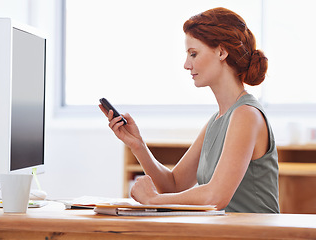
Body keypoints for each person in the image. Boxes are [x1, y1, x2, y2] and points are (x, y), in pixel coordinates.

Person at [99, 7, 279, 213]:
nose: (186, 64)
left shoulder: (247, 115)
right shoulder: (217, 121)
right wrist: (137, 145)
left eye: (193, 54)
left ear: (222, 52)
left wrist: (152, 200)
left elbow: (215, 196)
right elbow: (174, 185)